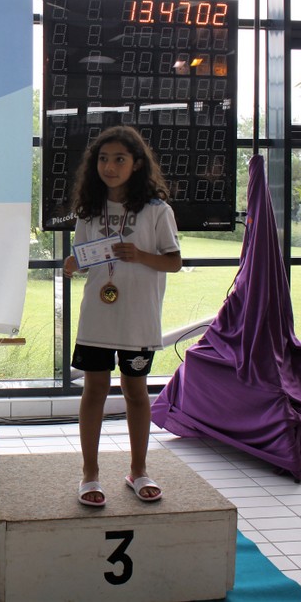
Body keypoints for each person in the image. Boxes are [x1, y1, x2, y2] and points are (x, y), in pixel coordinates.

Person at [62, 125, 181, 507]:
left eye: (119, 159)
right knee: (94, 390)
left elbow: (174, 262)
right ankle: (89, 473)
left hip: (138, 321)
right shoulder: (89, 211)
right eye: (103, 159)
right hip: (98, 318)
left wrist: (140, 255)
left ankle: (138, 470)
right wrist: (73, 264)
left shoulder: (157, 211)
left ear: (137, 164)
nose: (109, 167)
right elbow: (84, 258)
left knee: (136, 392)